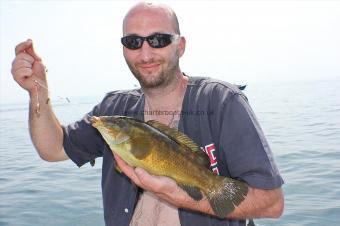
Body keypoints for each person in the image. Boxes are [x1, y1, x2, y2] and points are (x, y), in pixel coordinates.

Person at [11, 2, 284, 226]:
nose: (145, 53)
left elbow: (272, 203)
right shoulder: (114, 109)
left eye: (158, 39)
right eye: (133, 41)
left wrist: (182, 196)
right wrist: (37, 91)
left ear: (181, 45)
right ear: (124, 49)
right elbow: (52, 149)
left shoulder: (222, 101)